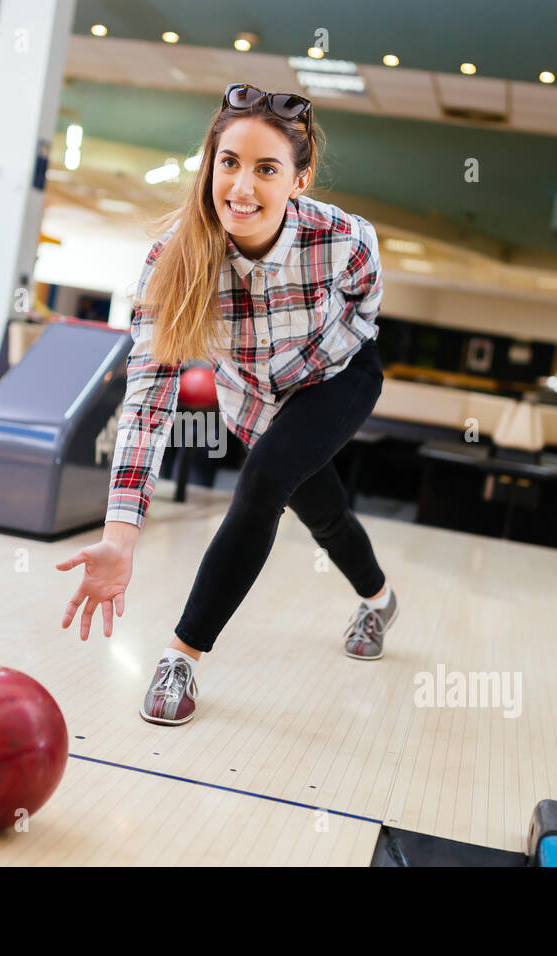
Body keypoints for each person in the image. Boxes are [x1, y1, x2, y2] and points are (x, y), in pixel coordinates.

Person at [56, 83, 397, 725]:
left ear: (300, 177)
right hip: (252, 404)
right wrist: (119, 536)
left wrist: (308, 375)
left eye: (266, 168)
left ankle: (181, 657)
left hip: (338, 375)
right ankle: (379, 601)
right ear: (210, 164)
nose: (242, 186)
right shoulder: (174, 264)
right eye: (229, 162)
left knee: (263, 481)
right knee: (321, 511)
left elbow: (366, 307)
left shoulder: (345, 239)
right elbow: (147, 406)